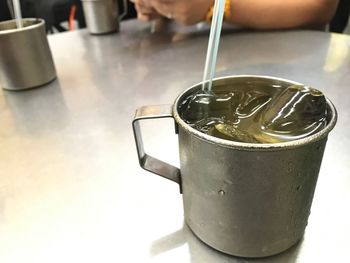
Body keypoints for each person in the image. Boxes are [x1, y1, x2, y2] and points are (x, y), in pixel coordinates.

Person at [130, 0, 340, 30]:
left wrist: (216, 7)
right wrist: (163, 6)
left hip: (294, 55)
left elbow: (321, 7)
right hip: (189, 55)